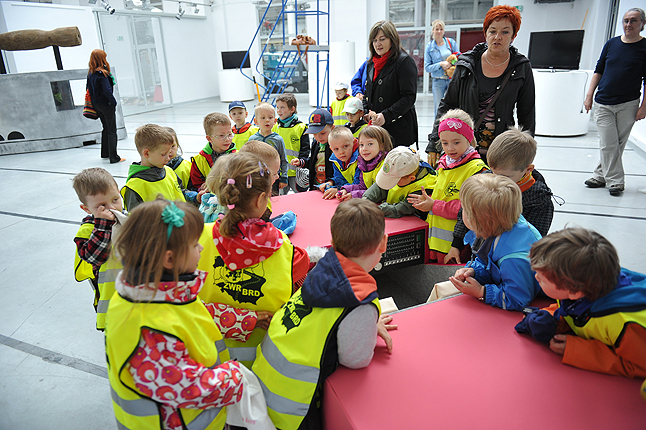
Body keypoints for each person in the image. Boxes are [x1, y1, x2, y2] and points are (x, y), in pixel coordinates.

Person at [252, 199, 397, 430]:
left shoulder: (322, 267)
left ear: (333, 242)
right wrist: (367, 326)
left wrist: (368, 323)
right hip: (293, 407)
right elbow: (356, 360)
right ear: (383, 243)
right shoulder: (359, 300)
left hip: (263, 380)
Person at [105, 199, 246, 430]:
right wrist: (235, 377)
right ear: (170, 259)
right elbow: (189, 388)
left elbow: (192, 316)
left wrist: (244, 320)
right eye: (194, 244)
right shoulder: (150, 331)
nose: (201, 248)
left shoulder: (152, 292)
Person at [196, 152, 309, 368]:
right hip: (263, 362)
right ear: (260, 199)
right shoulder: (283, 247)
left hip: (207, 359)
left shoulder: (197, 236)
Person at [516, 227, 646, 378]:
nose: (536, 278)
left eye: (542, 279)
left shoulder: (625, 323)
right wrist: (552, 318)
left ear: (574, 291)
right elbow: (571, 308)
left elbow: (639, 365)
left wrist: (577, 351)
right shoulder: (585, 281)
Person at [426, 5, 535, 167]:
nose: (497, 37)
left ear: (514, 35)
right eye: (492, 31)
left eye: (505, 32)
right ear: (485, 33)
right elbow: (448, 104)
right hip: (464, 150)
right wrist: (434, 142)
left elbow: (527, 115)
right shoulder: (467, 64)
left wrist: (526, 154)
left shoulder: (521, 67)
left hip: (501, 152)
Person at [445, 127, 554, 264]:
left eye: (504, 176)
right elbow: (466, 212)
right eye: (493, 172)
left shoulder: (539, 201)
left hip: (508, 261)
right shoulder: (485, 179)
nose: (496, 179)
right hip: (480, 258)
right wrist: (456, 245)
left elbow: (533, 242)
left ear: (528, 169)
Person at [448, 175, 542, 311]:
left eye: (464, 209)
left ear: (477, 220)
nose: (461, 211)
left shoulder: (512, 258)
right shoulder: (502, 224)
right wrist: (474, 271)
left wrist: (481, 292)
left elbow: (518, 299)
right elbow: (491, 265)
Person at [409, 109, 487, 262]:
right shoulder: (444, 163)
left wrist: (434, 205)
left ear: (469, 139)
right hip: (435, 242)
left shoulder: (477, 169)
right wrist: (426, 200)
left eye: (456, 142)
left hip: (457, 246)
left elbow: (469, 209)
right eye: (445, 143)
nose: (450, 148)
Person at [583, 8, 646, 196]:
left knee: (617, 143)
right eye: (626, 20)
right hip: (603, 102)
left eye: (633, 20)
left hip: (628, 103)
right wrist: (589, 95)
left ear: (642, 24)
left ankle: (599, 175)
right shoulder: (611, 44)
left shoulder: (644, 47)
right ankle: (616, 181)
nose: (628, 24)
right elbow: (599, 70)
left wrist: (644, 106)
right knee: (608, 143)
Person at [72, 167, 124, 331]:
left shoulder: (126, 217)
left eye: (115, 199)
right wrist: (103, 226)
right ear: (87, 209)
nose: (112, 208)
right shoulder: (87, 230)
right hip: (112, 296)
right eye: (102, 205)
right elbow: (94, 257)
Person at [363, 20, 419, 148]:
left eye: (382, 39)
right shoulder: (371, 64)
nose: (378, 44)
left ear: (392, 39)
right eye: (374, 40)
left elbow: (409, 97)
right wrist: (366, 112)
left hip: (398, 129)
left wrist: (386, 116)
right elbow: (368, 93)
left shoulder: (404, 61)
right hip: (377, 130)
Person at [121, 124, 185, 212]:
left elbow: (182, 192)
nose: (168, 158)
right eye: (164, 154)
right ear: (146, 153)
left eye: (169, 152)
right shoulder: (134, 187)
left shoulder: (169, 171)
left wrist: (195, 196)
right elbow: (135, 218)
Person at [364, 146, 436, 218]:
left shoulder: (424, 188)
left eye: (394, 180)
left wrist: (374, 210)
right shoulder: (398, 169)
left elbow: (400, 209)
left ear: (411, 178)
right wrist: (365, 199)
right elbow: (380, 187)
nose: (390, 182)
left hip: (411, 221)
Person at [87, 49, 123, 164]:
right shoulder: (102, 74)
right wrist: (113, 102)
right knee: (112, 130)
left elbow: (88, 89)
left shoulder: (91, 73)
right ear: (101, 59)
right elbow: (107, 91)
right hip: (106, 105)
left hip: (96, 104)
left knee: (106, 128)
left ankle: (105, 153)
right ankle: (114, 157)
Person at [338, 125, 393, 200]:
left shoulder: (386, 165)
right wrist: (346, 190)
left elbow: (380, 193)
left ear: (382, 146)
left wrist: (354, 195)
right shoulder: (364, 164)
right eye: (361, 145)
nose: (364, 149)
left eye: (370, 144)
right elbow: (362, 186)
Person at [272, 93, 311, 194]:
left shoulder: (301, 128)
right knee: (280, 198)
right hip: (281, 173)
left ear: (292, 109)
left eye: (282, 107)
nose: (278, 110)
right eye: (277, 107)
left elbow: (305, 149)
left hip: (296, 173)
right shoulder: (275, 128)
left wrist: (301, 162)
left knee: (300, 197)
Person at [191, 112, 237, 191]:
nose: (227, 139)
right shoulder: (199, 160)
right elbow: (194, 186)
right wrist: (201, 189)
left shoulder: (238, 155)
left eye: (229, 134)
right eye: (221, 136)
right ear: (209, 139)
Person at [291, 108, 335, 191]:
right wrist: (302, 162)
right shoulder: (316, 143)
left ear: (332, 128)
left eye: (322, 133)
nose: (318, 137)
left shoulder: (336, 146)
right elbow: (313, 161)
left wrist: (332, 182)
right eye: (315, 134)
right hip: (315, 185)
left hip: (329, 187)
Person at [250, 102, 288, 195]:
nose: (267, 120)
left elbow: (283, 159)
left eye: (270, 117)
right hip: (257, 179)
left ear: (275, 120)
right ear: (256, 121)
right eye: (263, 118)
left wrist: (284, 177)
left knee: (273, 199)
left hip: (273, 178)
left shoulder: (278, 139)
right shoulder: (252, 139)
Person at [424, 19, 460, 117]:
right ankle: (438, 126)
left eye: (441, 29)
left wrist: (450, 63)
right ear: (433, 31)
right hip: (438, 81)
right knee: (439, 108)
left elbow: (458, 57)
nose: (439, 31)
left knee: (453, 107)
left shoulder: (451, 42)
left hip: (451, 80)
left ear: (444, 31)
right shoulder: (429, 47)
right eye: (437, 29)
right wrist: (440, 64)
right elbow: (427, 68)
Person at [320, 126, 360, 200]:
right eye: (336, 149)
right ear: (331, 149)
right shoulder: (335, 159)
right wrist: (331, 182)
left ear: (354, 142)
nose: (341, 152)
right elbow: (340, 178)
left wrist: (338, 189)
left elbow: (358, 183)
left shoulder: (360, 158)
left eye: (345, 146)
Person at [165, 126, 198, 204]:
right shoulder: (152, 170)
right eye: (165, 147)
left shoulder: (187, 167)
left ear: (177, 146)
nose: (169, 151)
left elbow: (194, 189)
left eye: (172, 146)